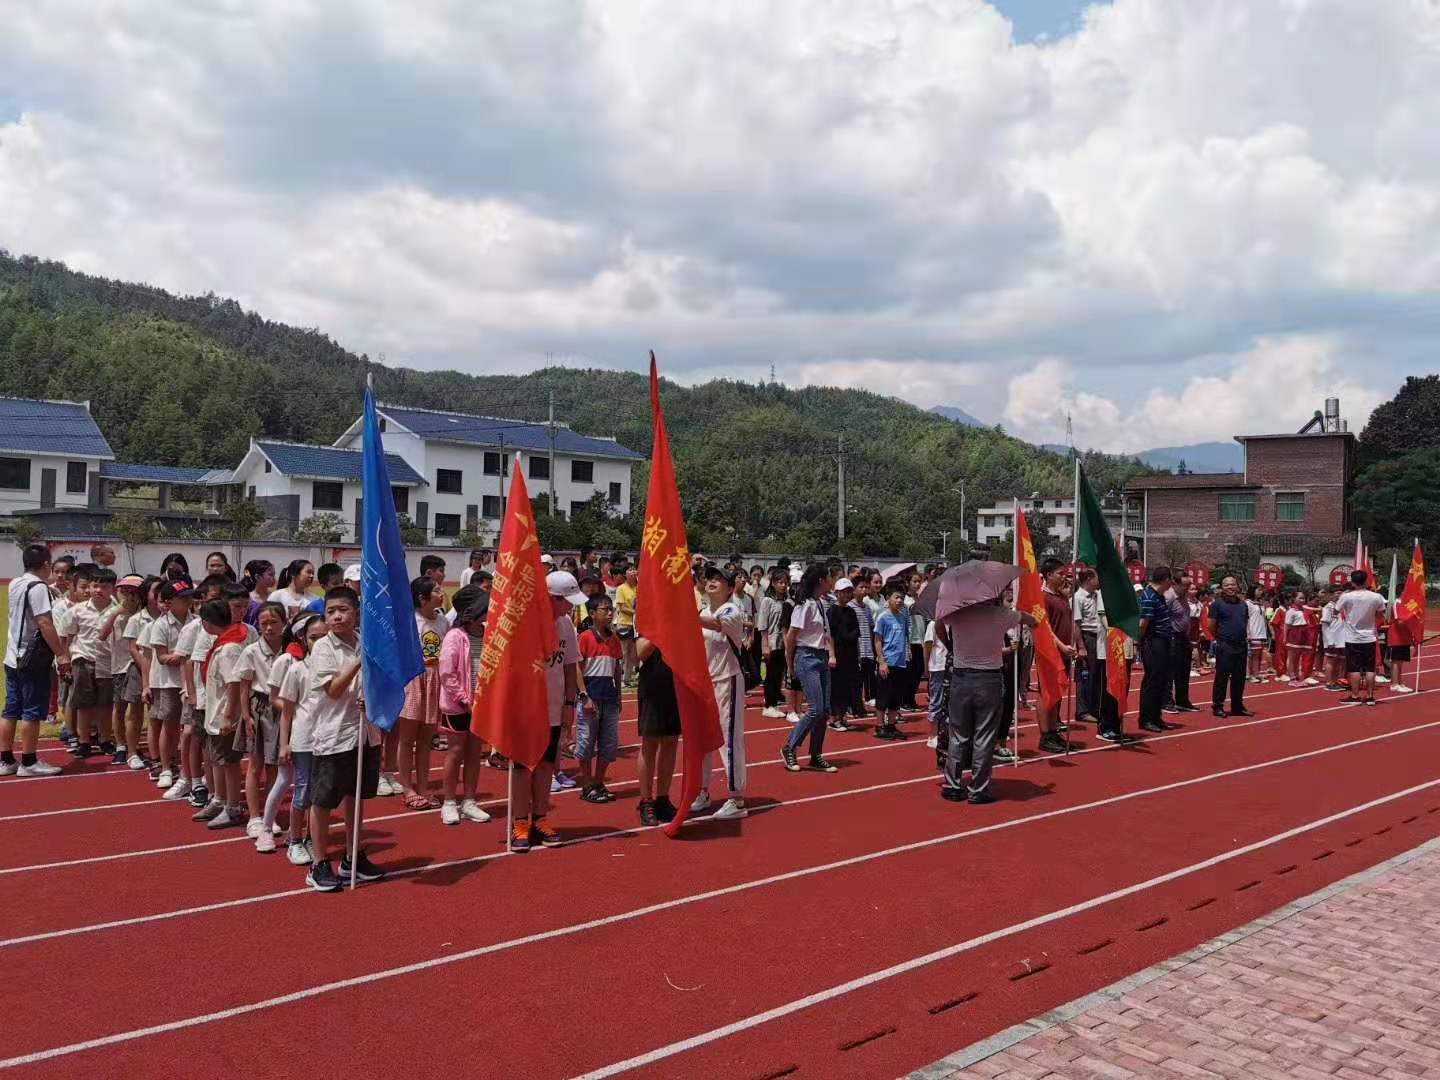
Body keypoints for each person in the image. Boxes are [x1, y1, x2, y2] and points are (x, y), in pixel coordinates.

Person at [303, 585, 384, 891]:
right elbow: (334, 690)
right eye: (331, 612)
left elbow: (382, 684)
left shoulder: (367, 642)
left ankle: (353, 856)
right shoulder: (323, 647)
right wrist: (358, 661)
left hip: (365, 733)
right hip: (333, 735)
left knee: (357, 797)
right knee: (323, 800)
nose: (337, 617)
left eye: (343, 610)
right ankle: (319, 862)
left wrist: (373, 701)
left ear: (357, 613)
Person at [509, 571, 584, 853]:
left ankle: (540, 818)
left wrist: (568, 704)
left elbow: (569, 665)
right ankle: (519, 822)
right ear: (552, 599)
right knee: (522, 768)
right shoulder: (524, 624)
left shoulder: (566, 625)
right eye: (567, 601)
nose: (572, 607)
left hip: (553, 708)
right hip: (526, 709)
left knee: (545, 766)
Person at [941, 591, 1037, 804]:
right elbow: (1031, 619)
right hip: (988, 678)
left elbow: (939, 622)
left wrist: (949, 645)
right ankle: (978, 789)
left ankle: (952, 785)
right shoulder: (1001, 615)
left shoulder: (957, 614)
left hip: (961, 676)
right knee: (984, 735)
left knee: (958, 733)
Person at [1, 544, 70, 777]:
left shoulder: (15, 583)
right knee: (31, 710)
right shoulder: (38, 587)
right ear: (46, 565)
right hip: (32, 659)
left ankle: (6, 759)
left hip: (12, 656)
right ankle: (29, 762)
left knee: (10, 710)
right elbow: (45, 623)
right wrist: (61, 653)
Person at [693, 565, 751, 817]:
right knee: (703, 741)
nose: (712, 582)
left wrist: (683, 613)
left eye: (719, 579)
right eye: (709, 578)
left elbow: (717, 625)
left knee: (729, 738)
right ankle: (702, 791)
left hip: (728, 680)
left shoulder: (732, 610)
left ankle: (736, 798)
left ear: (730, 588)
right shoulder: (702, 611)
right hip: (706, 683)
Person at [272, 613, 328, 864]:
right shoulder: (296, 670)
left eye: (324, 637)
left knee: (321, 793)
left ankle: (309, 838)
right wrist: (284, 743)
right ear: (303, 639)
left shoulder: (335, 670)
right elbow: (287, 711)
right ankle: (294, 841)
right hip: (304, 741)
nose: (319, 642)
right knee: (303, 791)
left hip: (329, 740)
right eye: (314, 637)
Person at [436, 584, 492, 826]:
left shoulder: (489, 633)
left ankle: (469, 801)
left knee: (474, 752)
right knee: (456, 751)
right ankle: (449, 802)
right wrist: (465, 699)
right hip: (460, 705)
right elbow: (447, 673)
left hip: (482, 703)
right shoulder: (454, 636)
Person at [197, 598, 250, 830]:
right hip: (214, 714)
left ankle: (233, 807)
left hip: (223, 716)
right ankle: (219, 800)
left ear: (208, 623)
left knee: (228, 762)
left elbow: (234, 683)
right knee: (216, 759)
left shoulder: (229, 649)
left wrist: (229, 716)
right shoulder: (222, 644)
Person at [782, 563, 839, 773]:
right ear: (821, 580)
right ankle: (790, 746)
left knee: (824, 711)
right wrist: (790, 665)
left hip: (821, 656)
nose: (832, 581)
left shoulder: (820, 603)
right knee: (815, 708)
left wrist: (831, 654)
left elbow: (825, 633)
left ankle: (816, 755)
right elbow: (791, 636)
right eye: (830, 577)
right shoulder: (804, 605)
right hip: (806, 656)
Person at [237, 601, 286, 845]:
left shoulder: (291, 649)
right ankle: (254, 817)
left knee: (277, 766)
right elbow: (244, 687)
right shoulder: (251, 651)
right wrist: (246, 716)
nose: (268, 628)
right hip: (260, 708)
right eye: (263, 623)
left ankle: (270, 815)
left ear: (284, 623)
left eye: (273, 622)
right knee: (255, 765)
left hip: (284, 709)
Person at [397, 576, 446, 810]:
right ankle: (407, 787)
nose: (441, 592)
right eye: (436, 590)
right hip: (413, 679)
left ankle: (424, 786)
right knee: (407, 739)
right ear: (421, 597)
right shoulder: (410, 622)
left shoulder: (443, 621)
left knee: (426, 740)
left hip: (435, 679)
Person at [62, 566, 118, 760]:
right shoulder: (78, 611)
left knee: (105, 704)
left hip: (108, 662)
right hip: (83, 660)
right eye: (95, 585)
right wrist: (66, 659)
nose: (98, 590)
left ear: (113, 588)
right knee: (83, 704)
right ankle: (84, 741)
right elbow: (68, 636)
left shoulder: (117, 611)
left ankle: (104, 739)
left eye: (104, 586)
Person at [575, 595, 623, 802]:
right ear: (593, 614)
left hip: (610, 699)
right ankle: (587, 784)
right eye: (605, 609)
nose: (610, 612)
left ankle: (598, 782)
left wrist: (619, 695)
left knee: (608, 743)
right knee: (586, 742)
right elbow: (577, 666)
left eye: (611, 609)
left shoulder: (614, 640)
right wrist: (584, 694)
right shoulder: (585, 637)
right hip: (591, 697)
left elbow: (617, 669)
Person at [147, 580, 192, 795]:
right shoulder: (161, 624)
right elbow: (162, 656)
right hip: (168, 682)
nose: (187, 601)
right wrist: (185, 658)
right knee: (170, 725)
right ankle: (166, 768)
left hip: (192, 681)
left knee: (190, 728)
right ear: (169, 602)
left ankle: (189, 769)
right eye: (181, 598)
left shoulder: (197, 621)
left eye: (188, 597)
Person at [635, 637, 681, 826]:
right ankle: (646, 801)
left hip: (676, 682)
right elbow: (641, 652)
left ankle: (662, 798)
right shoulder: (647, 615)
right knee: (650, 742)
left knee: (671, 742)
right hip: (652, 684)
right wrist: (662, 630)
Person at [1038, 558, 1081, 751]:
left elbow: (1069, 622)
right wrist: (1061, 645)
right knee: (1045, 692)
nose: (1064, 577)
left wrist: (1072, 644)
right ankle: (1045, 735)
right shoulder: (1043, 597)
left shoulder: (1062, 597)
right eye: (1060, 573)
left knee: (1057, 692)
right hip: (1050, 651)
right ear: (1048, 575)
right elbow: (1044, 627)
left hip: (1064, 650)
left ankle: (1054, 731)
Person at [107, 575, 148, 768]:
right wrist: (115, 613)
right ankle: (121, 745)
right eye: (125, 592)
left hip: (139, 665)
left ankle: (132, 745)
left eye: (134, 592)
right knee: (119, 706)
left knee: (137, 708)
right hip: (119, 664)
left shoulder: (144, 614)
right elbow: (101, 634)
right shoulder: (115, 612)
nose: (130, 597)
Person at [1336, 569, 1386, 707]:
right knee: (1370, 668)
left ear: (1352, 582)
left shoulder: (1347, 597)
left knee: (1354, 668)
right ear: (1367, 581)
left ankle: (1355, 695)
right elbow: (1381, 614)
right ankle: (1370, 696)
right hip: (1369, 636)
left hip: (1353, 638)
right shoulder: (1376, 597)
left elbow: (1336, 610)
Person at [1208, 576, 1254, 718]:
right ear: (1222, 587)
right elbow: (1211, 626)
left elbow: (1245, 623)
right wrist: (1221, 638)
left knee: (1239, 678)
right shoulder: (1217, 604)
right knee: (1222, 677)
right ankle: (1218, 706)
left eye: (1232, 584)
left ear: (1237, 586)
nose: (1230, 587)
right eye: (1226, 585)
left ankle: (1237, 706)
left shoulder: (1243, 605)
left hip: (1241, 644)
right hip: (1225, 645)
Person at [1137, 566, 1175, 734]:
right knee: (1152, 680)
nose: (1171, 584)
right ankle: (1146, 718)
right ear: (1165, 580)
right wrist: (1139, 642)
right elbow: (1143, 624)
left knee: (1161, 679)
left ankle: (1156, 715)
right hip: (1153, 642)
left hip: (1164, 641)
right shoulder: (1148, 596)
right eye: (1170, 580)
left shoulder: (1159, 595)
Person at [873, 582, 910, 740]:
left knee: (895, 697)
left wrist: (907, 651)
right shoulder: (883, 617)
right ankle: (880, 726)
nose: (899, 601)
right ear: (888, 599)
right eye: (896, 598)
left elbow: (905, 636)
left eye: (902, 598)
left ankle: (891, 725)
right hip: (887, 662)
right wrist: (881, 661)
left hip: (900, 662)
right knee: (883, 696)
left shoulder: (903, 616)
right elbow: (878, 640)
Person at [826, 578, 860, 733]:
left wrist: (858, 655)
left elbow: (856, 634)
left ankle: (843, 716)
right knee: (836, 687)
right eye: (844, 592)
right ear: (837, 593)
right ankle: (834, 718)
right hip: (837, 654)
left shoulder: (851, 611)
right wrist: (832, 655)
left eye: (849, 592)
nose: (847, 595)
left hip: (850, 654)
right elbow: (829, 635)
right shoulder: (832, 611)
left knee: (848, 686)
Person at [1072, 569, 1104, 725]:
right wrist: (1081, 646)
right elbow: (1076, 624)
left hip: (1100, 637)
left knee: (1097, 676)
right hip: (1087, 637)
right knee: (1085, 676)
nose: (1099, 580)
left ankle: (1094, 708)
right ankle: (1082, 711)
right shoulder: (1078, 598)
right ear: (1090, 578)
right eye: (1097, 577)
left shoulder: (1098, 595)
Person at [1165, 569, 1197, 713]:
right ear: (1175, 584)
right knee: (1170, 670)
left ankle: (1183, 700)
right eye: (1185, 585)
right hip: (1172, 636)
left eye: (1189, 584)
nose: (1187, 588)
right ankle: (1167, 701)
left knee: (1184, 670)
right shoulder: (1169, 597)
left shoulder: (1184, 597)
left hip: (1184, 637)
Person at [850, 576, 875, 720]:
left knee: (865, 679)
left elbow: (871, 628)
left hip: (867, 649)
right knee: (855, 681)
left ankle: (860, 705)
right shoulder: (850, 607)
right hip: (857, 649)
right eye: (861, 587)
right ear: (854, 590)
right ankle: (854, 706)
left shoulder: (867, 608)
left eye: (866, 587)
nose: (864, 590)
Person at [923, 617, 949, 750]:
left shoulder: (954, 622)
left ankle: (944, 732)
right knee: (936, 700)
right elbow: (927, 646)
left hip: (951, 666)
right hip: (937, 666)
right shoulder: (934, 624)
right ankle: (932, 735)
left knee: (949, 702)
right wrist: (926, 667)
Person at [614, 563, 639, 686]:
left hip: (637, 625)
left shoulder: (640, 587)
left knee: (633, 653)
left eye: (634, 569)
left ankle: (627, 679)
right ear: (625, 574)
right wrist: (635, 613)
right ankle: (619, 677)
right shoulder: (621, 588)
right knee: (623, 652)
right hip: (625, 623)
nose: (633, 572)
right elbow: (621, 607)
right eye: (630, 570)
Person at [1245, 585, 1269, 683]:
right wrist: (1248, 632)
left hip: (1261, 632)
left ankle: (1256, 673)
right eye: (1259, 590)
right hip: (1253, 632)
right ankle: (1249, 675)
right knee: (1251, 655)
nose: (1261, 592)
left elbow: (1264, 618)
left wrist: (1266, 631)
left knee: (1258, 655)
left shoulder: (1260, 604)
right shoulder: (1248, 603)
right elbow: (1246, 618)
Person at [242, 560, 276, 625]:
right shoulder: (247, 599)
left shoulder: (275, 596)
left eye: (274, 575)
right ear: (257, 577)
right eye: (270, 575)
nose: (273, 578)